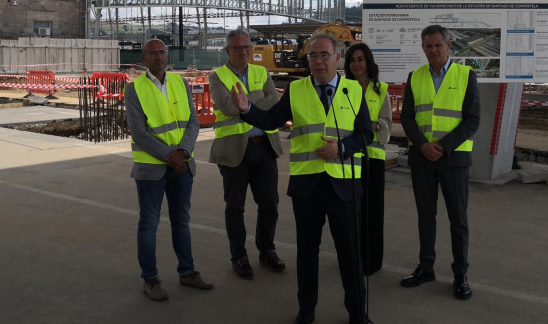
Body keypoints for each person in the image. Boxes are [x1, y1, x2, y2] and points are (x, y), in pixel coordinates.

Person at [230, 33, 374, 324]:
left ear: (337, 58)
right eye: (312, 56)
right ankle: (306, 311)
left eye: (323, 55)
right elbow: (271, 121)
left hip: (344, 185)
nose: (318, 61)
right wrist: (246, 109)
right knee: (307, 254)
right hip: (308, 187)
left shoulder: (353, 91)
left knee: (350, 254)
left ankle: (357, 313)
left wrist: (341, 148)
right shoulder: (296, 90)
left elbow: (366, 135)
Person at [124, 39, 213, 301]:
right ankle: (150, 279)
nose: (159, 56)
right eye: (153, 53)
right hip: (152, 169)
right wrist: (170, 156)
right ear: (143, 59)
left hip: (183, 165)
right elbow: (139, 133)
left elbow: (193, 121)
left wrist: (183, 153)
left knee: (181, 221)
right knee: (149, 224)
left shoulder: (180, 83)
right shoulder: (135, 89)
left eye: (162, 52)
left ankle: (187, 271)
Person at [399, 25, 480, 300]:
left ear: (449, 45)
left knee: (458, 219)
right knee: (426, 216)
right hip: (423, 159)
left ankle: (460, 275)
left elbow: (472, 120)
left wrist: (442, 147)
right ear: (423, 48)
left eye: (438, 45)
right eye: (428, 46)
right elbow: (407, 117)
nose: (433, 50)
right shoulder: (415, 77)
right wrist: (423, 145)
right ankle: (425, 268)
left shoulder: (466, 75)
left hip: (453, 159)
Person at [208, 28, 285, 279]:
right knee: (235, 208)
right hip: (233, 151)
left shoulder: (262, 71)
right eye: (238, 48)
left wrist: (246, 102)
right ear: (227, 50)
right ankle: (238, 256)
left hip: (264, 146)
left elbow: (273, 101)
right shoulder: (217, 76)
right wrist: (257, 97)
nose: (244, 52)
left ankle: (267, 250)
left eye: (247, 47)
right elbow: (228, 107)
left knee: (270, 205)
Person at [344, 43, 392, 275]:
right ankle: (352, 258)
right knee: (351, 213)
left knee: (373, 212)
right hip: (348, 159)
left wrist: (366, 126)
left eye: (360, 59)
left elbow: (386, 126)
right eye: (352, 60)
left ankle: (372, 261)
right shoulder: (343, 88)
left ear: (368, 62)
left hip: (372, 159)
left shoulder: (380, 90)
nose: (356, 64)